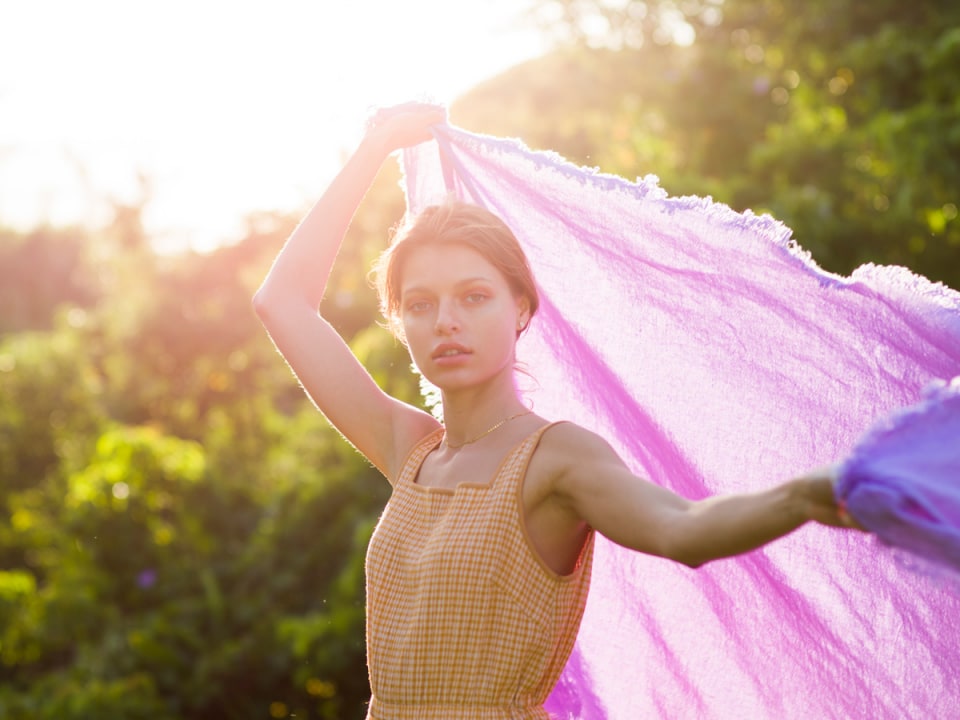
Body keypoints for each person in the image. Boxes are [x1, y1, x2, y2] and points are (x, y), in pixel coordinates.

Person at [253, 103, 860, 720]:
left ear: (520, 308)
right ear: (401, 323)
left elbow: (682, 530)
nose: (446, 322)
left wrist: (802, 500)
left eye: (474, 296)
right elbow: (282, 302)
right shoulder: (406, 446)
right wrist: (373, 149)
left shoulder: (556, 459)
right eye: (419, 304)